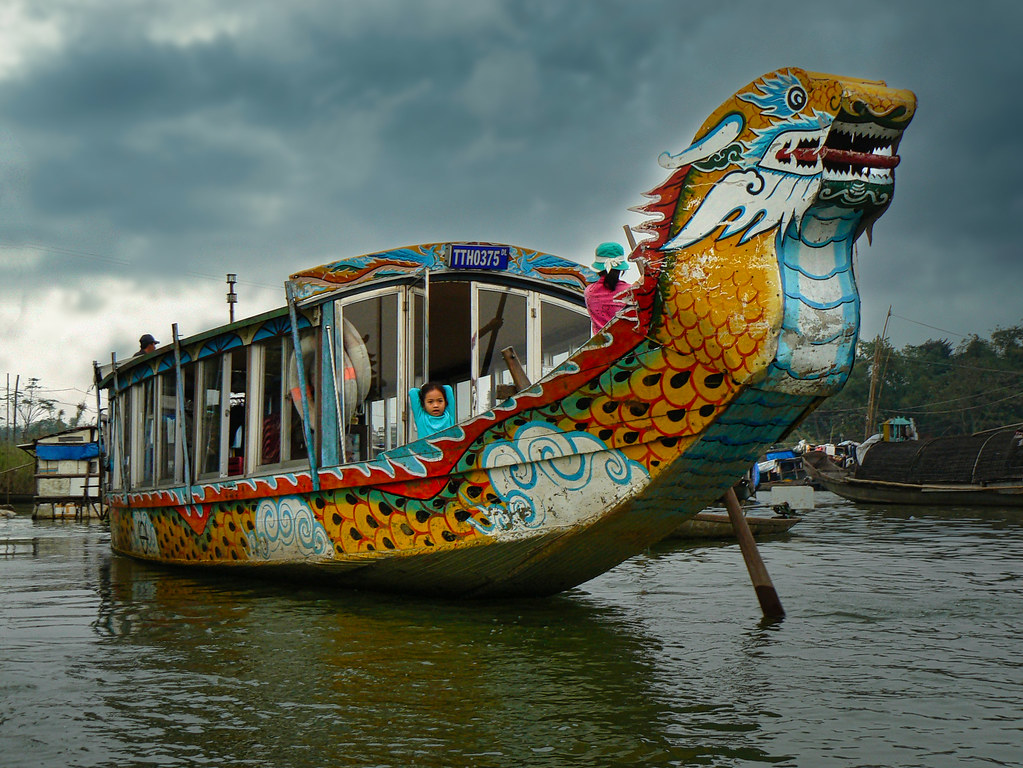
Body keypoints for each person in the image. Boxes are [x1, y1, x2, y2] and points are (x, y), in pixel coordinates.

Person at [584, 242, 632, 334]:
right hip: (628, 345)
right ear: (621, 269)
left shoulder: (589, 292)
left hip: (602, 346)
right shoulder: (631, 291)